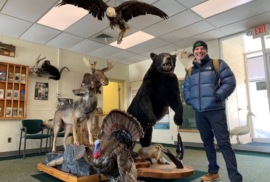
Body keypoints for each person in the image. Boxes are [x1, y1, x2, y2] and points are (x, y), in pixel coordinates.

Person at [183, 40, 242, 182]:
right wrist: (190, 100)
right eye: (197, 49)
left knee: (224, 144)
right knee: (207, 142)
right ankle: (213, 171)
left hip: (216, 110)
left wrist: (218, 96)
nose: (199, 51)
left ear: (206, 51)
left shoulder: (217, 64)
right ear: (194, 52)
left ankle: (235, 178)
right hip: (199, 112)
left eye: (202, 48)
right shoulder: (190, 71)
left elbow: (230, 81)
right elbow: (186, 88)